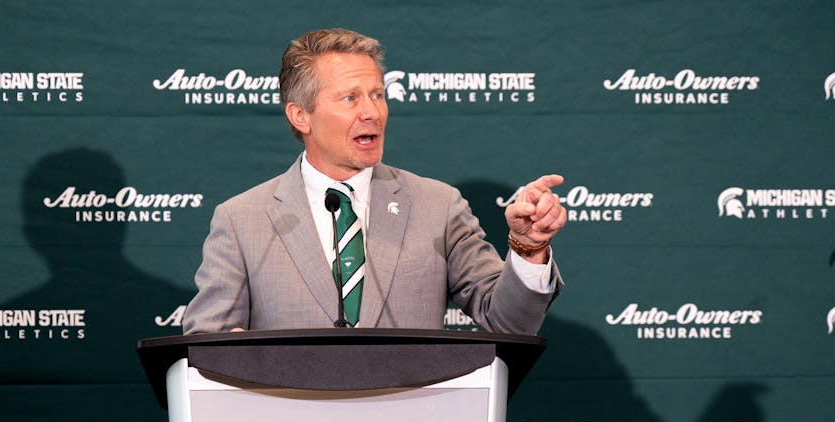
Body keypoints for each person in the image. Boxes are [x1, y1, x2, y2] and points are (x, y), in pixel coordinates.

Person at [182, 28, 565, 334]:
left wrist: (529, 249)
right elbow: (206, 338)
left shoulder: (438, 206)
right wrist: (230, 351)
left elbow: (509, 322)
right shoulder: (241, 219)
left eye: (377, 95)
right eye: (350, 98)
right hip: (290, 419)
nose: (371, 112)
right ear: (301, 116)